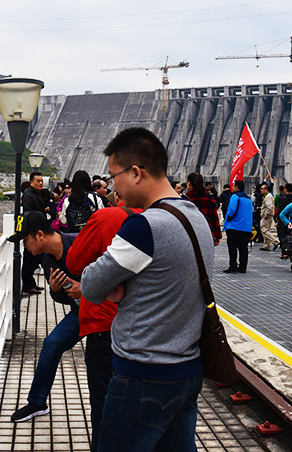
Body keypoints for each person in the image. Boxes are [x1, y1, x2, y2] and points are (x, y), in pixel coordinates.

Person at [80, 127, 212, 452]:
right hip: (187, 372)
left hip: (142, 376)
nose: (113, 187)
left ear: (136, 173)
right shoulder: (195, 218)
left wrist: (120, 285)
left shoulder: (145, 227)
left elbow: (92, 284)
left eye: (114, 177)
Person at [66, 201, 143, 451]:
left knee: (104, 400)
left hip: (104, 322)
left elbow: (74, 262)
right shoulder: (166, 218)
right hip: (147, 328)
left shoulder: (106, 217)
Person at [8, 212, 80, 423]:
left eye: (25, 240)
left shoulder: (79, 242)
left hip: (106, 312)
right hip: (80, 313)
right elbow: (62, 297)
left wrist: (86, 287)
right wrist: (56, 290)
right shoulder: (47, 260)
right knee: (51, 344)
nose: (25, 246)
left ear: (39, 235)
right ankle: (37, 402)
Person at [21, 171, 50, 294]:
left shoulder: (36, 194)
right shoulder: (29, 195)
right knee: (29, 260)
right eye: (38, 181)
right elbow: (28, 214)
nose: (41, 183)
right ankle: (27, 285)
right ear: (31, 182)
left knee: (33, 260)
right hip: (32, 232)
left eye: (42, 181)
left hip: (37, 231)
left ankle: (31, 283)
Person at [223, 179, 253, 273]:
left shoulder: (235, 196)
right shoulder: (248, 199)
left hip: (234, 226)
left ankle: (233, 266)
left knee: (232, 247)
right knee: (243, 248)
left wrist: (228, 218)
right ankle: (243, 267)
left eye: (233, 186)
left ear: (237, 187)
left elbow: (232, 209)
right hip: (246, 228)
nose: (232, 187)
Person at [185, 172, 222, 247]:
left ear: (189, 183)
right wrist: (218, 236)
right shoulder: (210, 199)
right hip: (206, 234)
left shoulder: (185, 199)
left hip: (188, 235)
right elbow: (214, 219)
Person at [258, 182, 279, 251]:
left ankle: (275, 241)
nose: (261, 190)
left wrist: (267, 214)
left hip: (266, 216)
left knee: (264, 230)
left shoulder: (268, 196)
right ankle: (267, 245)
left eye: (262, 189)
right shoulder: (267, 196)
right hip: (267, 215)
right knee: (267, 230)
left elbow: (269, 207)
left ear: (266, 190)